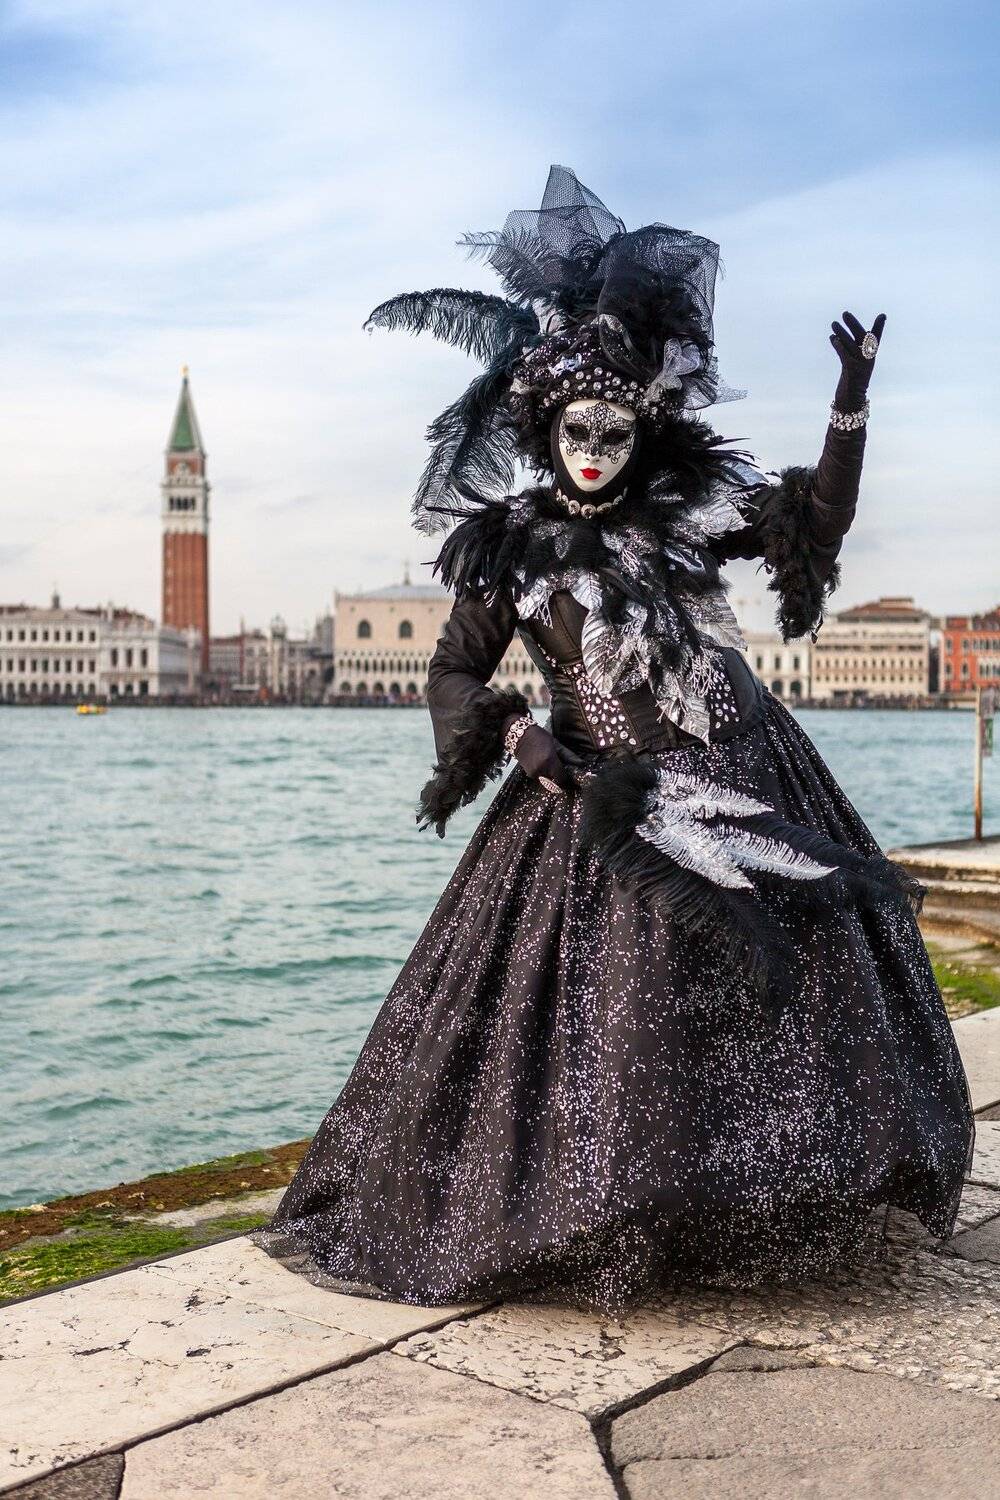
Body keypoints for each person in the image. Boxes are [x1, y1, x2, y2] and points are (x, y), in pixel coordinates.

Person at [256, 167, 973, 1311]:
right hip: (592, 795)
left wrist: (851, 400)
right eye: (573, 431)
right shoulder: (509, 548)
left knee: (780, 996)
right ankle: (621, 1204)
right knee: (618, 1022)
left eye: (615, 429)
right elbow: (451, 669)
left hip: (747, 765)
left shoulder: (689, 515)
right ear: (544, 433)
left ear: (644, 433)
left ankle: (762, 1195)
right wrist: (512, 736)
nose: (594, 448)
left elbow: (815, 518)